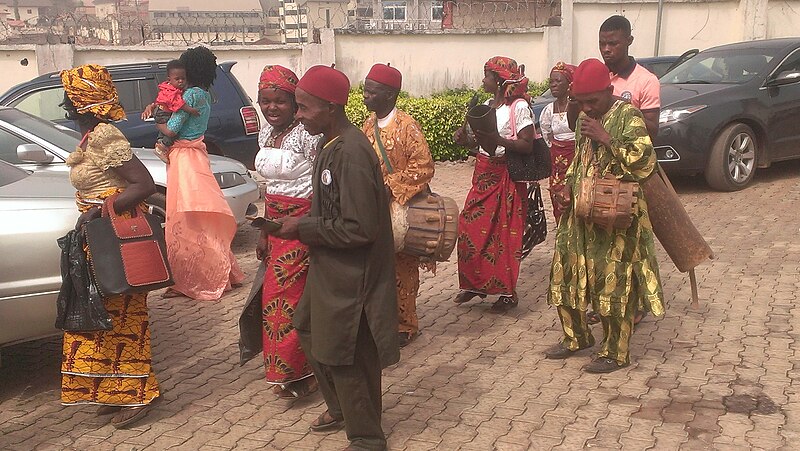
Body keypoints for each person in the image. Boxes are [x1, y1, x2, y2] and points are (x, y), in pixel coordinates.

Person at [273, 65, 399, 451]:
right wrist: (295, 222)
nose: (297, 116)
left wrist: (303, 229)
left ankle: (366, 437)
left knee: (347, 352)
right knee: (308, 327)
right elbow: (332, 208)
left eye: (303, 109)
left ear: (330, 108)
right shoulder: (331, 144)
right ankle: (343, 407)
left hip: (354, 274)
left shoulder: (352, 153)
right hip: (330, 267)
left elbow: (361, 229)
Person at [545, 58, 665, 373]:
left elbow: (644, 163)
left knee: (614, 283)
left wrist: (606, 137)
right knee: (565, 272)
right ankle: (576, 337)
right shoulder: (586, 116)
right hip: (582, 212)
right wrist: (567, 185)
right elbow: (581, 158)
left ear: (609, 90)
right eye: (580, 101)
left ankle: (615, 352)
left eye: (592, 101)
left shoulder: (628, 116)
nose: (586, 107)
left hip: (618, 217)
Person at [59, 64, 160, 428]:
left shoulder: (104, 136)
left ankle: (137, 394)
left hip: (115, 238)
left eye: (70, 99)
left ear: (82, 103)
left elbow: (144, 184)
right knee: (101, 317)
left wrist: (100, 211)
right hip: (97, 236)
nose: (65, 106)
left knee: (124, 316)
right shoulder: (91, 136)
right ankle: (113, 390)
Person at [574, 14, 662, 326]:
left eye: (613, 43)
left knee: (629, 248)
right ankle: (606, 305)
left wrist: (615, 119)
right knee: (602, 250)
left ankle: (630, 307)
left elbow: (651, 131)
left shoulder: (645, 81)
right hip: (597, 178)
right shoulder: (597, 78)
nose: (607, 49)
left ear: (628, 41)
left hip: (630, 175)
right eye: (602, 43)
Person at [154, 46, 244, 300]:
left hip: (184, 159)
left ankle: (191, 280)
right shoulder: (203, 93)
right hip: (196, 155)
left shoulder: (191, 95)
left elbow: (171, 130)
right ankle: (225, 272)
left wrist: (157, 120)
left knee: (184, 219)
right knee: (201, 219)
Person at [253, 65, 320, 398]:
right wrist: (264, 232)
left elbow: (323, 185)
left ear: (294, 102)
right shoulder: (265, 134)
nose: (271, 108)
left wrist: (310, 227)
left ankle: (303, 372)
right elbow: (270, 186)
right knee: (273, 302)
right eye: (265, 101)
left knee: (292, 300)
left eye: (278, 101)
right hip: (276, 226)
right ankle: (286, 371)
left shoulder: (309, 135)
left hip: (301, 226)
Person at [452, 56, 534, 313]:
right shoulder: (487, 106)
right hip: (483, 173)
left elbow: (527, 144)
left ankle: (507, 293)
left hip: (505, 175)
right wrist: (464, 139)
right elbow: (479, 143)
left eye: (486, 75)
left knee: (503, 235)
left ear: (498, 81)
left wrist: (499, 139)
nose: (483, 80)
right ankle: (474, 284)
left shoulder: (518, 107)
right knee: (469, 227)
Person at [361, 63, 435, 347]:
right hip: (375, 208)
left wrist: (390, 186)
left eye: (371, 91)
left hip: (402, 209)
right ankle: (381, 320)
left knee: (403, 269)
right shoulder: (367, 125)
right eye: (365, 89)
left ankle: (406, 325)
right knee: (378, 268)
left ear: (389, 95)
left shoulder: (407, 126)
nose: (365, 95)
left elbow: (424, 166)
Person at [539, 62, 577, 224]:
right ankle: (562, 225)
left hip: (575, 156)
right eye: (551, 82)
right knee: (557, 192)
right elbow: (546, 133)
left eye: (558, 81)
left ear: (569, 84)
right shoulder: (548, 110)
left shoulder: (576, 107)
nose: (553, 85)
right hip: (557, 160)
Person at [147, 59, 200, 163]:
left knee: (165, 131)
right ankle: (161, 148)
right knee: (174, 131)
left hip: (162, 111)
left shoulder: (171, 88)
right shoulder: (171, 91)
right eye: (177, 79)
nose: (181, 81)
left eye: (183, 79)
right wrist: (191, 110)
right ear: (169, 79)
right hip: (163, 113)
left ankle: (160, 144)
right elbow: (178, 104)